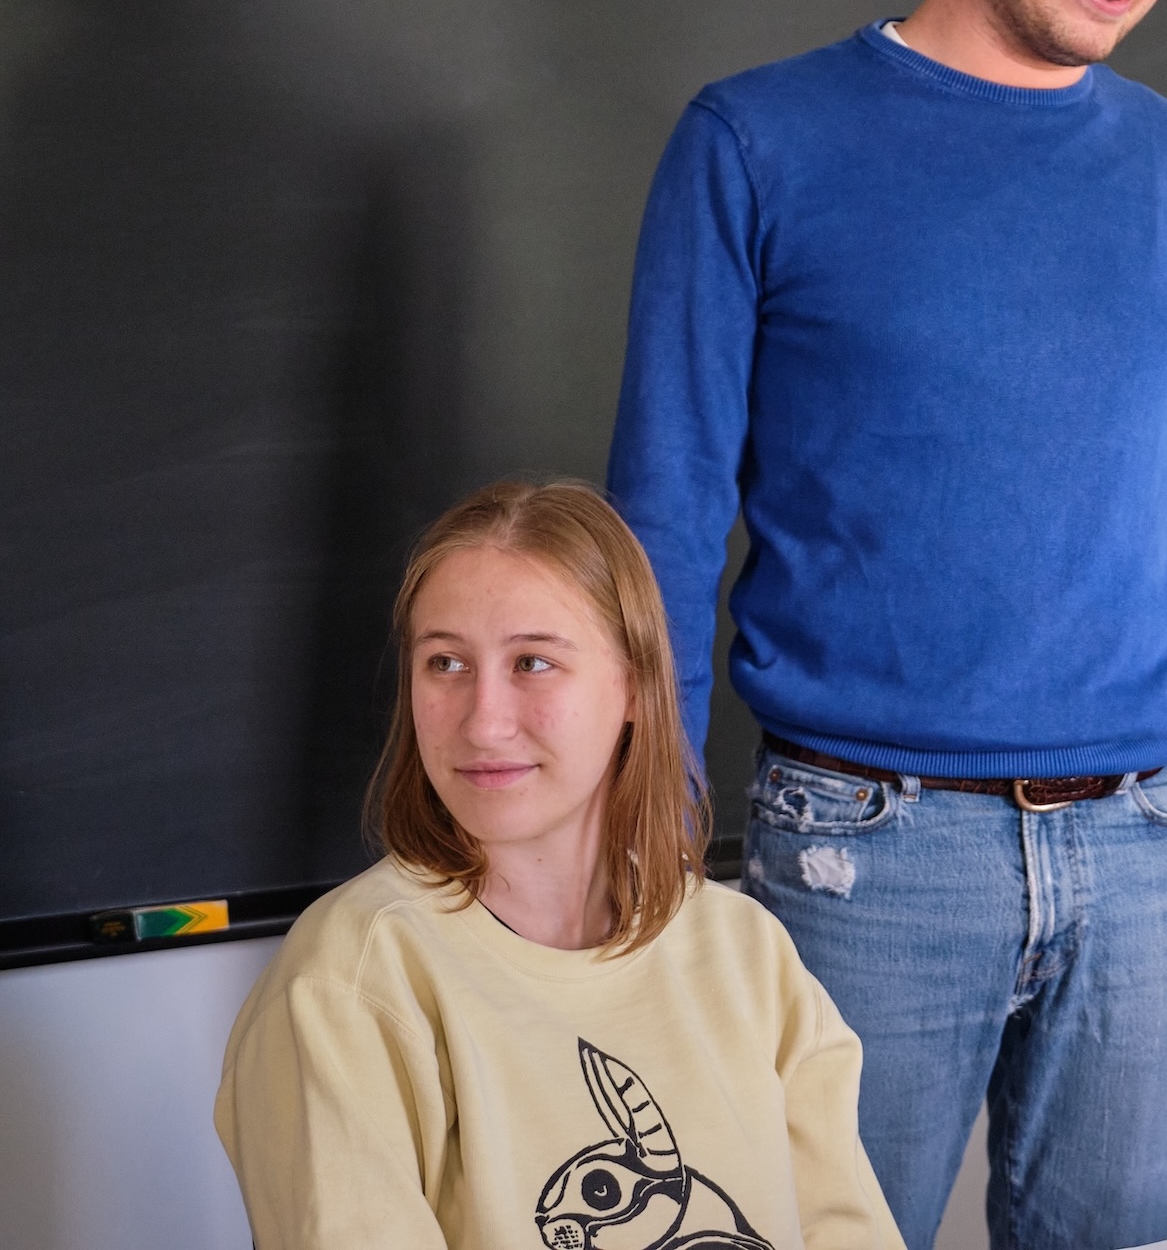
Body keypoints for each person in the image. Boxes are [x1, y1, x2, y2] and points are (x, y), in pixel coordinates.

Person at [605, 0, 1167, 1250]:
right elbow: (659, 521)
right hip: (868, 854)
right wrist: (646, 849)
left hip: (1159, 847)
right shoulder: (757, 144)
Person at [215, 480, 902, 1250]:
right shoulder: (349, 982)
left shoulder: (748, 954)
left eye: (533, 662)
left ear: (635, 686)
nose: (484, 720)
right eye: (445, 663)